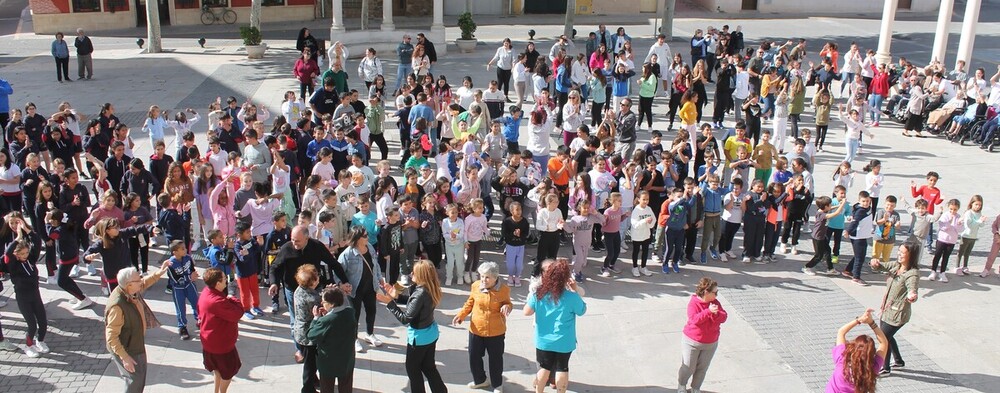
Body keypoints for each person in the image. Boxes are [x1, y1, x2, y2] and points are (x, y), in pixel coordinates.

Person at [376, 260, 447, 393]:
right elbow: (414, 304)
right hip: (430, 332)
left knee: (413, 369)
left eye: (414, 272)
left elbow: (405, 318)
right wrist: (396, 296)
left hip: (419, 338)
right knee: (428, 367)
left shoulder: (420, 292)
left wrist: (390, 303)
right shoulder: (430, 287)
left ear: (421, 275)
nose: (411, 274)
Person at [524, 259, 586, 393]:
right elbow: (582, 311)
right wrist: (575, 290)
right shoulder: (571, 297)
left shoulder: (538, 294)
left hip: (544, 340)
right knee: (562, 368)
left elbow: (526, 312)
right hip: (565, 341)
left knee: (544, 368)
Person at [105, 264, 170, 393]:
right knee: (135, 381)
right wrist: (125, 357)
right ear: (129, 284)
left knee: (139, 379)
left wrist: (159, 273)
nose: (141, 280)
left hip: (135, 342)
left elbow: (144, 283)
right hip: (128, 348)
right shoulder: (117, 306)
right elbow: (111, 336)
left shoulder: (129, 290)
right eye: (138, 279)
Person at [452, 261, 513, 393]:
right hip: (476, 329)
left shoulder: (504, 290)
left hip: (496, 331)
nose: (483, 280)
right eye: (482, 276)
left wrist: (506, 307)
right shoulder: (475, 286)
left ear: (495, 278)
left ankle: (497, 385)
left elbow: (508, 303)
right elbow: (470, 303)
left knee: (495, 360)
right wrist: (461, 315)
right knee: (474, 356)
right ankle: (480, 380)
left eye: (487, 277)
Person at [869, 242, 920, 375]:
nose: (899, 254)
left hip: (898, 313)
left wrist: (912, 295)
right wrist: (875, 263)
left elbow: (912, 288)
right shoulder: (897, 266)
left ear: (911, 255)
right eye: (899, 251)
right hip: (887, 310)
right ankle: (898, 361)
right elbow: (881, 266)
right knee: (887, 336)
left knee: (883, 338)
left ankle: (884, 367)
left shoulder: (912, 274)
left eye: (902, 253)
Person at [198, 267, 244, 393]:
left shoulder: (206, 293)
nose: (226, 280)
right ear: (218, 283)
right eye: (224, 278)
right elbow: (238, 313)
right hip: (221, 345)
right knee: (228, 373)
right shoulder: (217, 301)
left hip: (209, 342)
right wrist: (232, 297)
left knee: (217, 369)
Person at [338, 226, 384, 352]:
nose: (367, 237)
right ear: (357, 239)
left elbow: (375, 264)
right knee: (355, 315)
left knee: (371, 311)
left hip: (370, 286)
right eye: (364, 236)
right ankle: (354, 339)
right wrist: (342, 285)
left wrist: (379, 277)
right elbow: (338, 272)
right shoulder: (347, 254)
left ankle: (370, 334)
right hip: (355, 289)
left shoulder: (369, 247)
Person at [678, 277, 727, 393]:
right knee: (688, 366)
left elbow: (724, 317)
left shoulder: (715, 303)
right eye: (715, 292)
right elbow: (694, 319)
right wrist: (708, 312)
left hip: (710, 342)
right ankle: (681, 385)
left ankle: (696, 388)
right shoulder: (693, 303)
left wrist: (716, 314)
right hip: (692, 342)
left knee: (702, 368)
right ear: (706, 292)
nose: (716, 295)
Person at [826, 309, 888, 393]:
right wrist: (871, 323)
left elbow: (841, 332)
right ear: (872, 353)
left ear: (854, 348)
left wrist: (859, 320)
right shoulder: (873, 368)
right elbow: (884, 343)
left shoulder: (842, 359)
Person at [307, 287, 356, 393]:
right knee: (346, 387)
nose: (322, 303)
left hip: (328, 363)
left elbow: (311, 336)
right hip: (347, 361)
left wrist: (316, 318)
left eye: (324, 301)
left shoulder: (325, 321)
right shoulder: (350, 312)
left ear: (331, 304)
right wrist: (329, 314)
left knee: (327, 388)